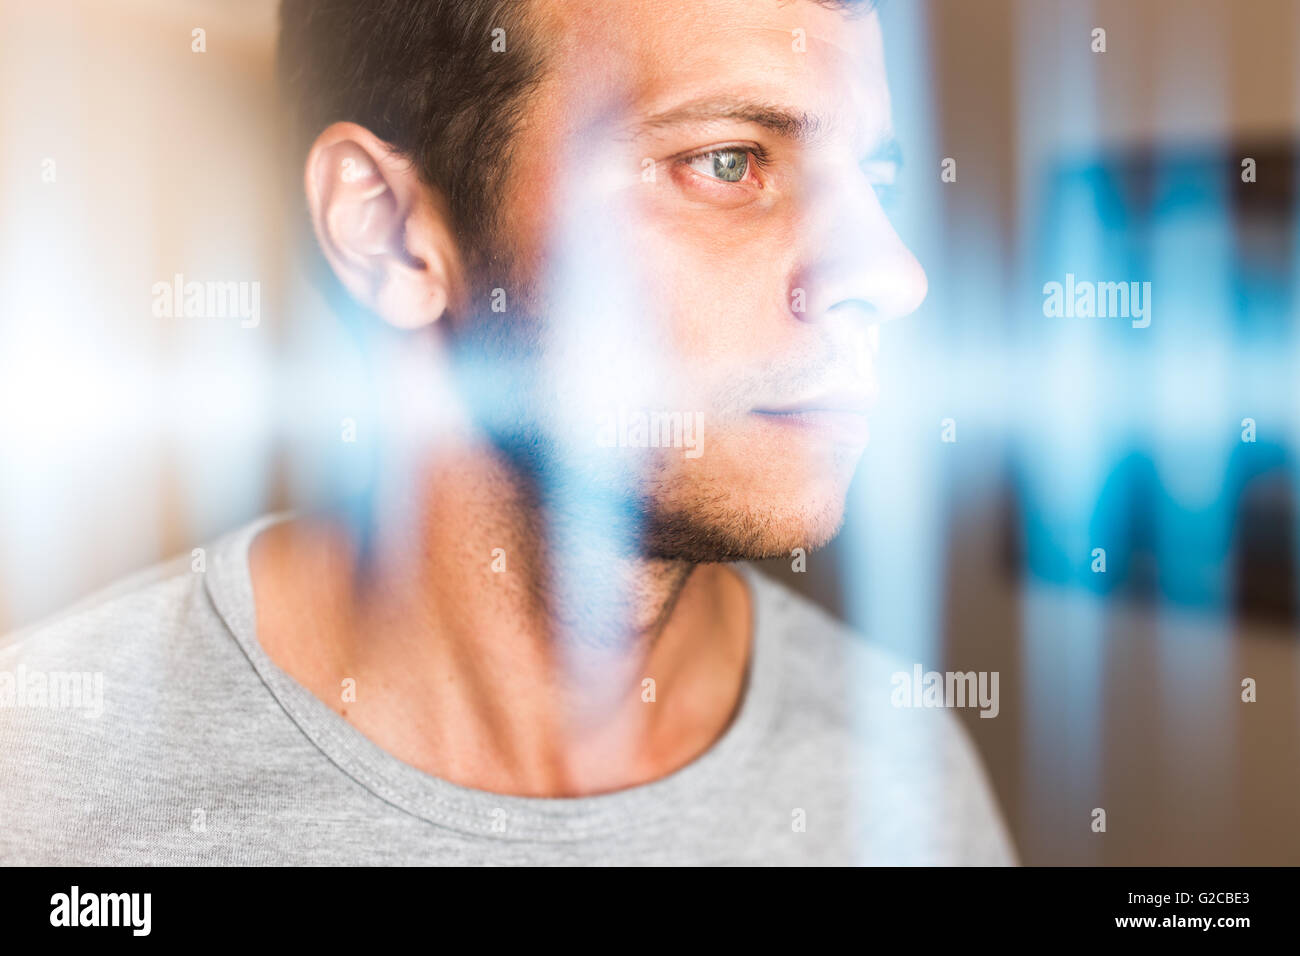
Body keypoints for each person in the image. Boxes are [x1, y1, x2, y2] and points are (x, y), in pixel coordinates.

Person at [0, 0, 1014, 865]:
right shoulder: (48, 783)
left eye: (872, 182)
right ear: (391, 236)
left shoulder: (898, 768)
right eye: (727, 160)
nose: (892, 273)